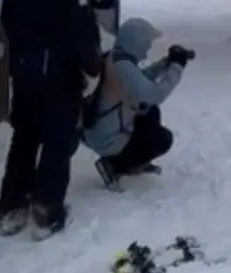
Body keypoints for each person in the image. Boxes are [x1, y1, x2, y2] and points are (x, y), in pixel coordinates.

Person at [0, 0, 102, 239]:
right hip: (58, 72)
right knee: (58, 139)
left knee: (25, 136)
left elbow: (7, 17)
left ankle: (11, 207)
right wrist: (92, 65)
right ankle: (46, 211)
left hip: (24, 70)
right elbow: (81, 29)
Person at [81, 17, 192, 190]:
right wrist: (176, 67)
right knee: (163, 139)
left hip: (99, 131)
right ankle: (115, 164)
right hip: (107, 140)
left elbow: (141, 79)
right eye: (147, 45)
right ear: (137, 43)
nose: (147, 52)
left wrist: (166, 62)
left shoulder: (115, 58)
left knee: (150, 113)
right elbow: (154, 94)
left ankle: (130, 160)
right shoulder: (123, 67)